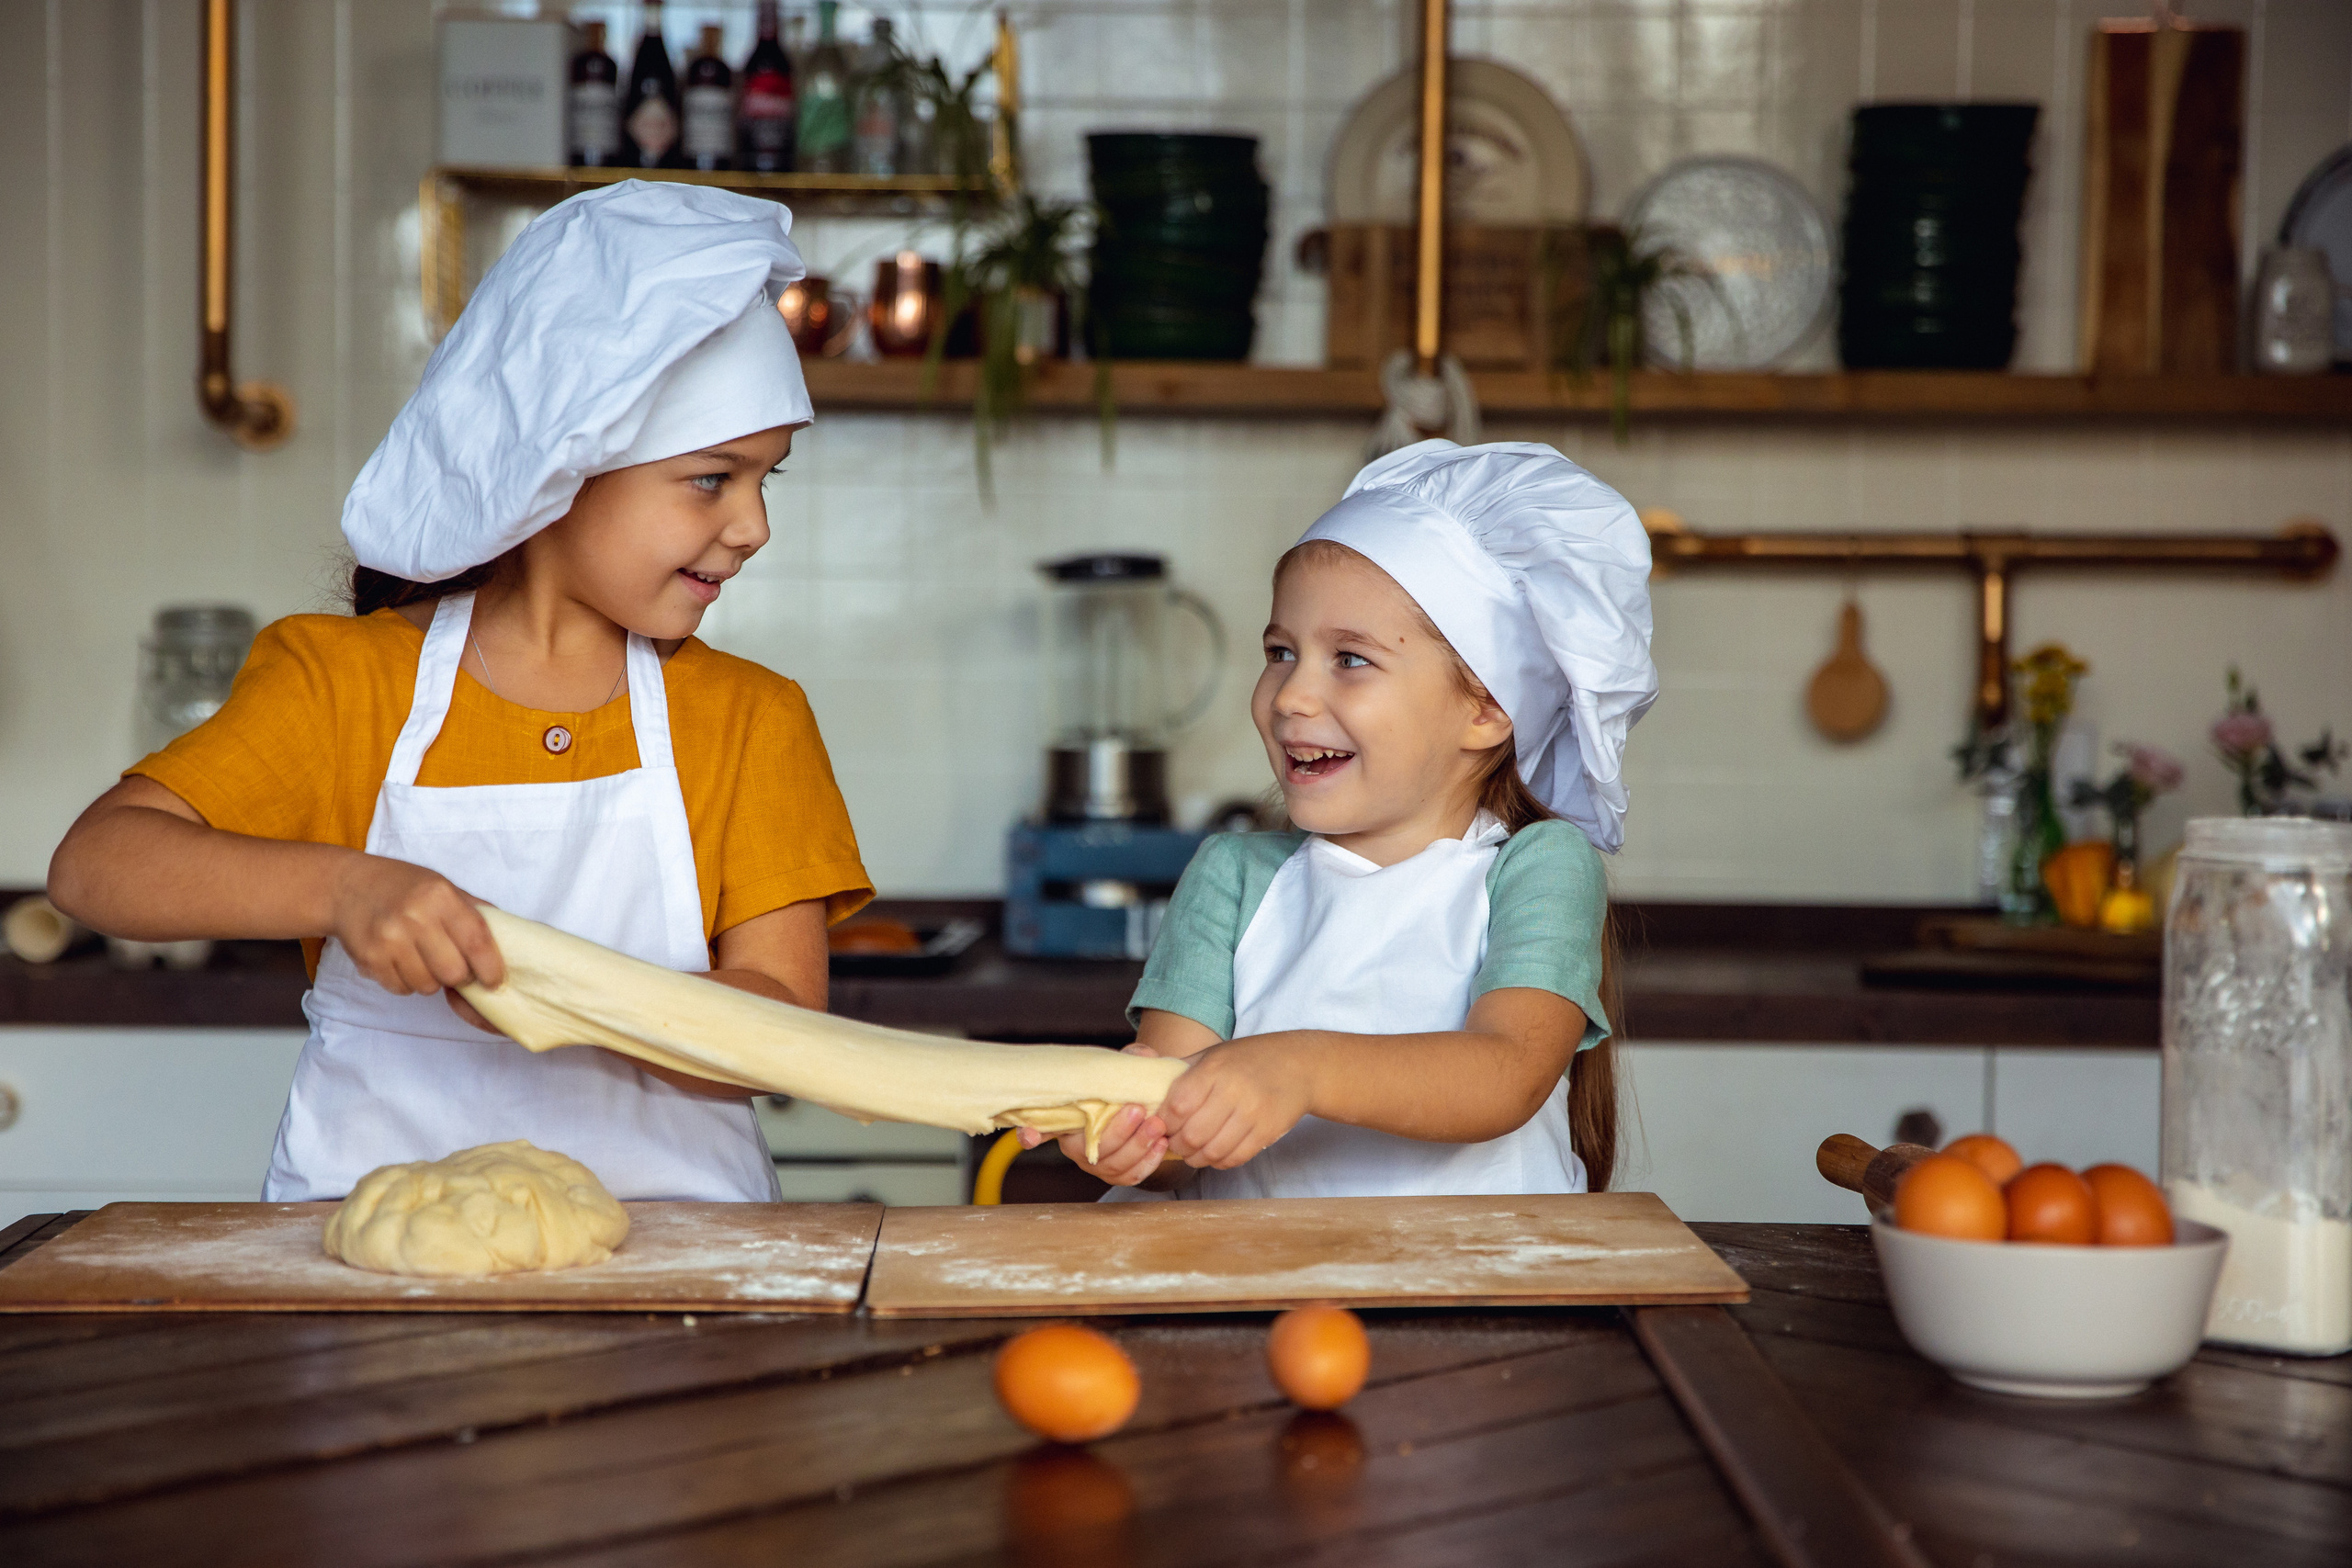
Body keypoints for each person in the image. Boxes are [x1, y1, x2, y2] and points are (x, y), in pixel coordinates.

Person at [46, 182, 870, 1203]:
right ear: (564, 465)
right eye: (713, 478)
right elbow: (95, 868)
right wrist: (351, 888)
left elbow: (784, 1023)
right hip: (365, 1283)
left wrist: (572, 1001)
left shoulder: (750, 718)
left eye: (766, 480)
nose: (753, 526)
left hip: (682, 1275)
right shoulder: (347, 682)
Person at [1031, 439, 1656, 1199]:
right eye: (1281, 650)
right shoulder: (1232, 876)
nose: (1291, 695)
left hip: (1483, 1298)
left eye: (1350, 658)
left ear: (1487, 705)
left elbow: (1506, 1074)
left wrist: (1298, 1066)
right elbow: (1175, 1137)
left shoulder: (1540, 866)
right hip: (1258, 1298)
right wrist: (1124, 1132)